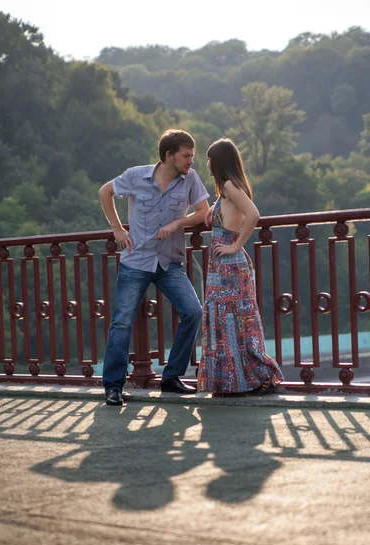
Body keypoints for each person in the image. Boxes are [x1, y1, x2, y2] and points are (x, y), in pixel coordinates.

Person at [99, 129, 210, 405]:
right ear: (169, 156)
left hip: (168, 262)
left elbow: (204, 212)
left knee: (193, 311)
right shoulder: (136, 176)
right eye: (186, 156)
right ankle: (113, 385)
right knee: (122, 322)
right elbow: (105, 191)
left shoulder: (190, 179)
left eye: (192, 156)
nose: (190, 161)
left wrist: (176, 224)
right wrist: (116, 229)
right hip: (135, 261)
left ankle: (171, 377)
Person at [197, 138, 283, 396]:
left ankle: (252, 378)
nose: (207, 163)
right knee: (225, 320)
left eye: (209, 159)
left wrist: (235, 246)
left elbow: (253, 214)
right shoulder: (224, 191)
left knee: (233, 321)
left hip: (229, 265)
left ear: (219, 161)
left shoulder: (229, 185)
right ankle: (233, 382)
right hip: (220, 266)